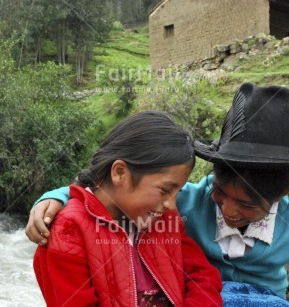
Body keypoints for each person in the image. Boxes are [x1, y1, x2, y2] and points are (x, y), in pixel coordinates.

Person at [27, 83, 289, 306]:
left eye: (247, 205)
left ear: (280, 196)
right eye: (220, 195)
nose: (229, 211)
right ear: (211, 182)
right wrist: (56, 198)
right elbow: (102, 195)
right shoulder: (186, 202)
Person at [33, 110, 223, 306]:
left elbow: (203, 278)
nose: (171, 204)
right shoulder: (69, 231)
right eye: (165, 189)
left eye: (177, 192)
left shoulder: (164, 219)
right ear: (120, 173)